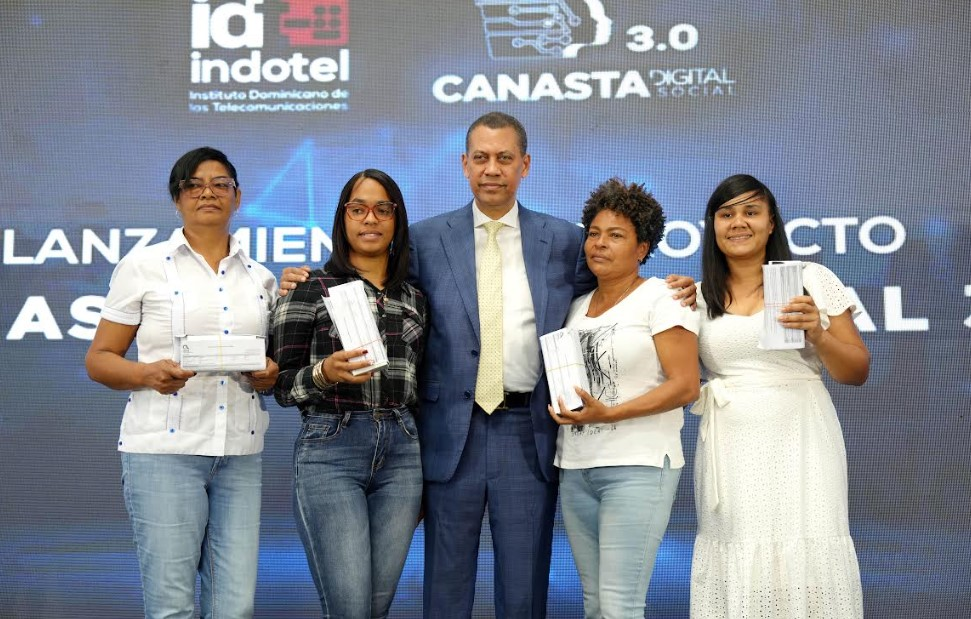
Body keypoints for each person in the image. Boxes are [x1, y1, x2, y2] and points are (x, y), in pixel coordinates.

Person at [278, 112, 695, 618]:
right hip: (449, 433)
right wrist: (301, 278)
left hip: (529, 430)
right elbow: (375, 282)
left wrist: (677, 286)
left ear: (525, 165)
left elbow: (616, 284)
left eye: (503, 158)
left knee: (523, 589)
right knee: (446, 588)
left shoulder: (566, 241)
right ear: (464, 164)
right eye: (480, 157)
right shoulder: (425, 240)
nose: (491, 168)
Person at [85, 147, 279, 619]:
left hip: (239, 455)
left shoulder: (261, 279)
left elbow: (271, 370)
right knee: (171, 606)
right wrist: (146, 374)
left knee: (235, 608)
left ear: (238, 197)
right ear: (177, 199)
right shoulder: (143, 266)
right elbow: (99, 359)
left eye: (220, 184)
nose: (208, 192)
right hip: (163, 453)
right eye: (194, 185)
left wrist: (269, 375)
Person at [690, 174, 868, 618]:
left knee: (808, 544)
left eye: (751, 212)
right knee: (738, 546)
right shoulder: (697, 297)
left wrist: (818, 334)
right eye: (726, 214)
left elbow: (857, 371)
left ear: (771, 223)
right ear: (712, 226)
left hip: (802, 439)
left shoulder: (810, 278)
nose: (738, 223)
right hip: (729, 447)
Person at [270, 169, 426, 618]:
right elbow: (279, 385)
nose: (370, 219)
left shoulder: (415, 297)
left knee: (376, 607)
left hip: (403, 452)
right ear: (343, 219)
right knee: (350, 608)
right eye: (358, 209)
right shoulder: (308, 288)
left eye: (382, 209)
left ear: (396, 219)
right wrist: (324, 372)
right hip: (331, 447)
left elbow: (421, 385)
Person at [549, 178, 700, 618]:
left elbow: (686, 385)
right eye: (594, 233)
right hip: (576, 467)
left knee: (620, 605)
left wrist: (611, 413)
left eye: (615, 235)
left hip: (639, 466)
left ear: (642, 248)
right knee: (595, 604)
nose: (599, 244)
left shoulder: (664, 298)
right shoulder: (574, 306)